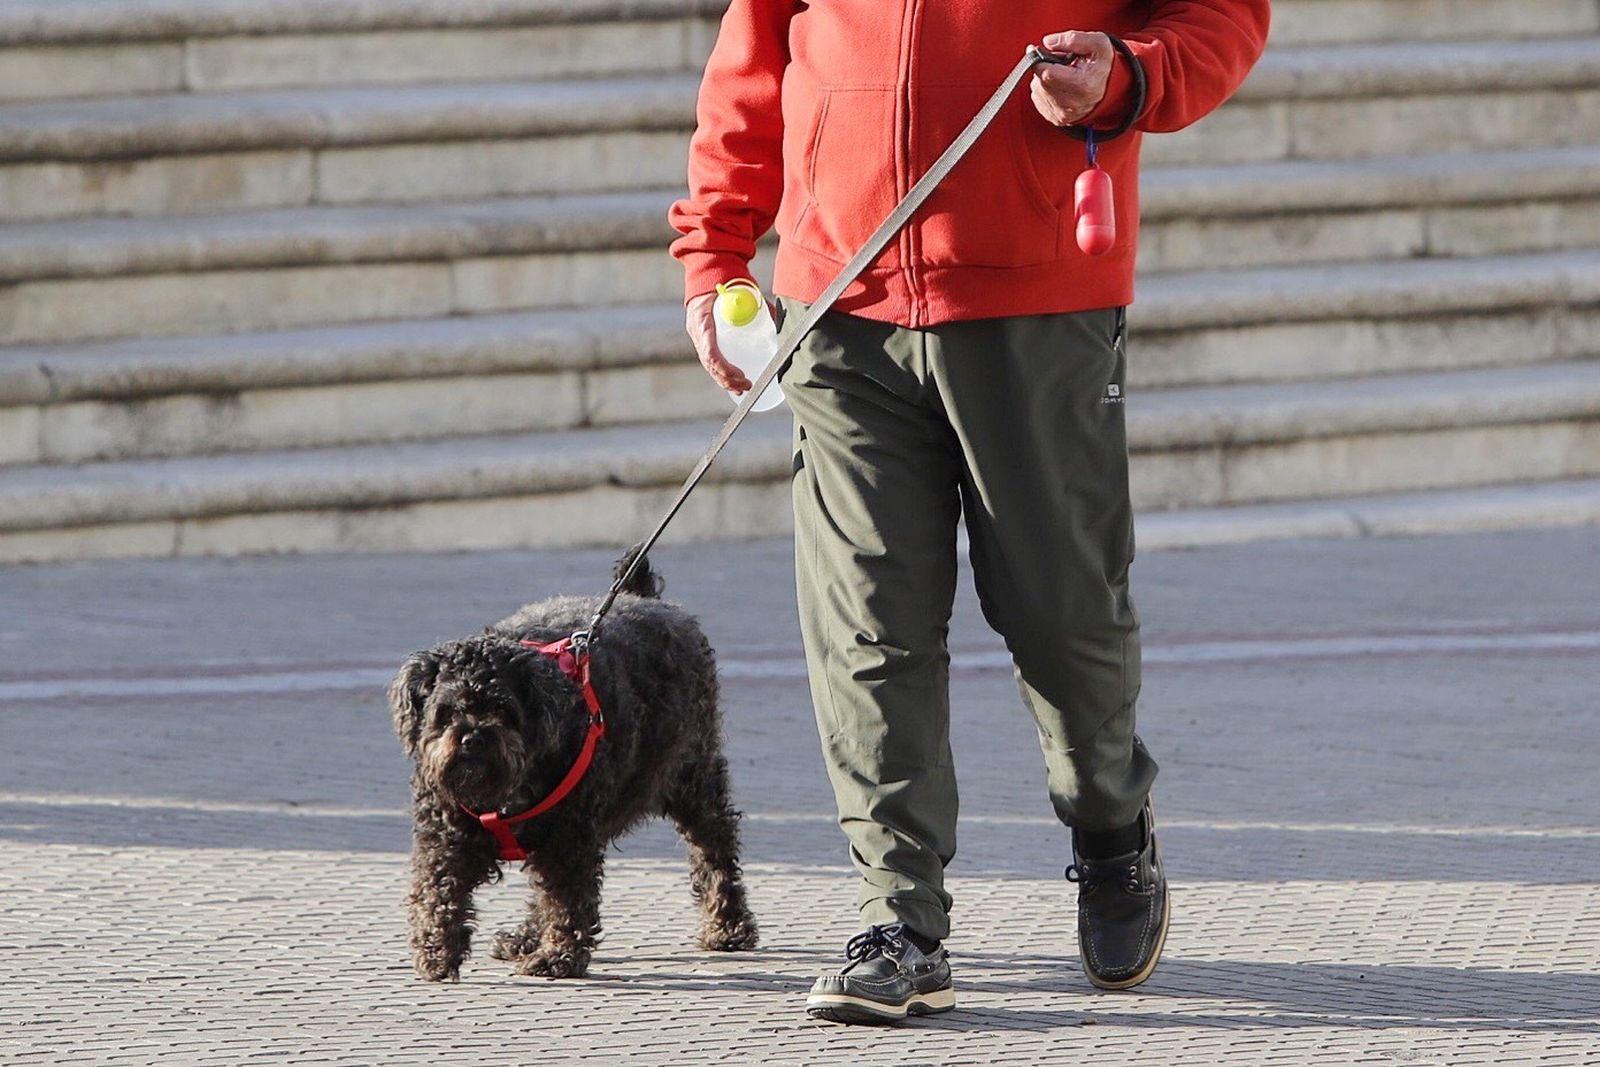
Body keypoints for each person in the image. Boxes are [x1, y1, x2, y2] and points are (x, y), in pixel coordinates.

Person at [669, 1, 1270, 1024]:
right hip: (840, 306)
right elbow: (752, 55)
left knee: (1061, 611)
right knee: (867, 624)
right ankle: (898, 919)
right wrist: (714, 254)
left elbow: (1221, 16)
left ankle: (1109, 822)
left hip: (1036, 301)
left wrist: (1129, 73)